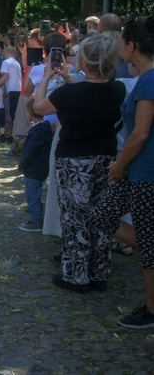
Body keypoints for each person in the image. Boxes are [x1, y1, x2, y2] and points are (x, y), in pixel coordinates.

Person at [34, 34, 125, 293]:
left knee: (75, 217)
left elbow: (39, 108)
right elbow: (91, 94)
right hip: (106, 158)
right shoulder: (117, 89)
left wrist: (48, 78)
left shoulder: (70, 93)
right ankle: (98, 271)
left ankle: (75, 274)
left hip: (74, 160)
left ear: (84, 61)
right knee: (101, 215)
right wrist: (67, 78)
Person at [91, 17, 154, 328]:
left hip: (143, 171)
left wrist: (119, 165)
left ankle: (152, 307)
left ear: (132, 46)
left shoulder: (149, 81)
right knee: (103, 214)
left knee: (143, 237)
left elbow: (140, 134)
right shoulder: (144, 77)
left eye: (122, 42)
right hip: (136, 170)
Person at [17, 99, 52, 232]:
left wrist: (22, 165)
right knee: (36, 192)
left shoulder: (36, 131)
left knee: (32, 193)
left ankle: (36, 220)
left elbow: (30, 151)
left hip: (33, 168)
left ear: (30, 114)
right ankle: (37, 213)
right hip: (42, 166)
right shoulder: (46, 128)